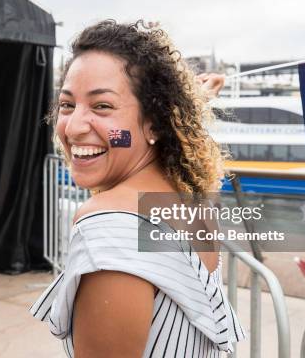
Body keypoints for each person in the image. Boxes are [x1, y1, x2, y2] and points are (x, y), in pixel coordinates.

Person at [30, 20, 245, 357]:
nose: (72, 126)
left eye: (102, 106)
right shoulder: (185, 198)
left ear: (155, 123)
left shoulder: (109, 229)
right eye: (67, 105)